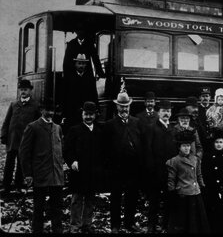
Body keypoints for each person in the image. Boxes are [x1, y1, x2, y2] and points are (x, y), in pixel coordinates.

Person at [19, 100, 64, 233]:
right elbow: (24, 152)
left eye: (52, 110)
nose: (50, 113)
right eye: (47, 110)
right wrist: (28, 174)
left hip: (56, 176)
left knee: (57, 209)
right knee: (39, 209)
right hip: (40, 175)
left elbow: (60, 150)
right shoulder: (33, 127)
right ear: (41, 110)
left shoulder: (58, 128)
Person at [103, 91, 144, 233]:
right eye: (121, 106)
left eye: (126, 106)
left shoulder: (136, 122)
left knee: (132, 195)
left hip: (133, 166)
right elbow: (106, 147)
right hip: (117, 167)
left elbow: (141, 143)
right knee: (116, 196)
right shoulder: (110, 125)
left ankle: (129, 222)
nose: (124, 109)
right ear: (117, 107)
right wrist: (109, 166)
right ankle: (115, 224)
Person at [64, 101, 105, 233]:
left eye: (91, 115)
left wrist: (101, 167)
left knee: (90, 199)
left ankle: (87, 224)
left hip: (93, 171)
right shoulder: (74, 130)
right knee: (76, 199)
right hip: (79, 171)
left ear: (95, 115)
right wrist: (72, 161)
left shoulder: (99, 131)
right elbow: (67, 150)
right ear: (82, 114)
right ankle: (75, 225)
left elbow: (103, 152)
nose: (88, 117)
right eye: (86, 114)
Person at [1, 79, 40, 196]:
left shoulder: (35, 106)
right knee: (9, 163)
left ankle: (19, 185)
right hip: (12, 139)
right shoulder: (13, 105)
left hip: (25, 140)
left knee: (21, 163)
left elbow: (37, 124)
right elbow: (6, 122)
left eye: (26, 90)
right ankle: (6, 186)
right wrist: (3, 135)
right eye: (21, 90)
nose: (23, 92)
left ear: (30, 91)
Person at [165, 129, 209, 233]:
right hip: (183, 194)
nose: (187, 148)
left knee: (196, 220)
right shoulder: (174, 161)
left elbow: (199, 175)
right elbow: (171, 179)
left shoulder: (195, 159)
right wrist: (172, 192)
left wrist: (202, 186)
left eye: (188, 146)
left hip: (195, 193)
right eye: (184, 146)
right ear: (179, 147)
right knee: (184, 221)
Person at [144, 100, 177, 233]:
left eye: (168, 111)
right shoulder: (152, 127)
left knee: (169, 199)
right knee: (154, 200)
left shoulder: (173, 129)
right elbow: (148, 150)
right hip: (156, 171)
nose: (166, 114)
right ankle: (151, 225)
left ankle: (165, 225)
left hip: (169, 172)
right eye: (163, 111)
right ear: (158, 112)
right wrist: (151, 169)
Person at [62, 53, 98, 134]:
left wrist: (96, 108)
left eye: (83, 63)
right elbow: (64, 95)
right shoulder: (69, 78)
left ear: (86, 65)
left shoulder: (90, 78)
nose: (81, 66)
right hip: (72, 111)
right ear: (75, 64)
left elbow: (94, 94)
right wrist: (64, 112)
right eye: (79, 63)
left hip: (86, 111)